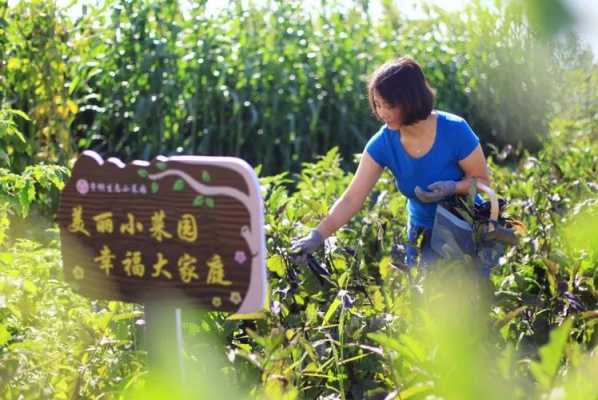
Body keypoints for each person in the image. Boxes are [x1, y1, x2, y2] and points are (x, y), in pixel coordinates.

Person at [291, 56, 491, 268]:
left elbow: (483, 181)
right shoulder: (383, 143)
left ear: (410, 100)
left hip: (465, 229)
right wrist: (317, 235)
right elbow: (351, 199)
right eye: (377, 105)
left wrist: (453, 187)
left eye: (389, 105)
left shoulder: (454, 130)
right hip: (421, 234)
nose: (382, 113)